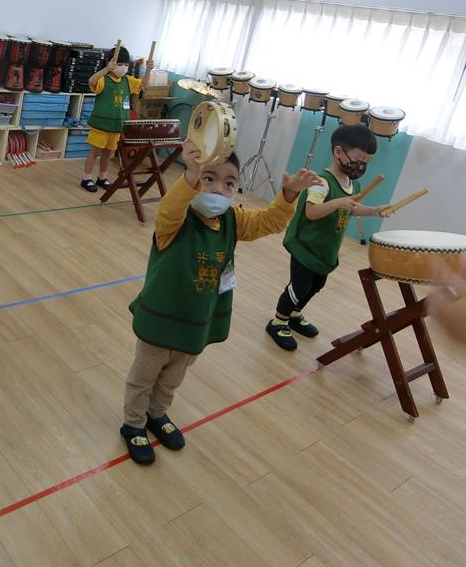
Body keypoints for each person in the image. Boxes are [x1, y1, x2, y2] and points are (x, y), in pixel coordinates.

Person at [121, 141, 320, 464]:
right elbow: (171, 207)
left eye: (229, 183)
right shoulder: (175, 220)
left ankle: (156, 413)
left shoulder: (232, 219)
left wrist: (288, 195)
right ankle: (133, 423)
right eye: (208, 178)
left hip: (196, 320)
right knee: (144, 376)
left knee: (173, 376)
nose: (218, 188)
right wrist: (190, 175)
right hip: (161, 318)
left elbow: (268, 222)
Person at [266, 124, 391, 351]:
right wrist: (337, 203)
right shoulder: (322, 182)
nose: (362, 165)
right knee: (299, 286)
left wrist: (374, 211)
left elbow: (351, 209)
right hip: (306, 245)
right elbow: (311, 212)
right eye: (359, 159)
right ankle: (278, 321)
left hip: (326, 248)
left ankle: (294, 314)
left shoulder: (352, 183)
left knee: (317, 284)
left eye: (367, 161)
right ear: (338, 152)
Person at [81, 46, 152, 192]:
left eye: (126, 64)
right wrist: (106, 69)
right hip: (101, 125)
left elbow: (144, 85)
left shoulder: (128, 81)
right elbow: (91, 80)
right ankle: (86, 178)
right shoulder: (104, 79)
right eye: (120, 64)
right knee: (95, 152)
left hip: (116, 127)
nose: (123, 68)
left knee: (108, 153)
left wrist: (148, 70)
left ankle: (102, 177)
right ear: (111, 63)